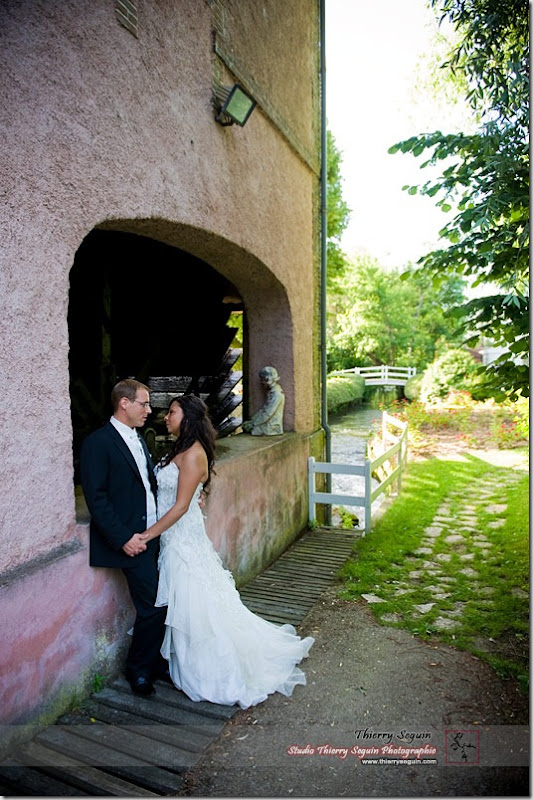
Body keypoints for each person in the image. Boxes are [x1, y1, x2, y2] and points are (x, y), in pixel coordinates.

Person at [138, 394, 314, 709]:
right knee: (187, 604)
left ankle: (210, 669)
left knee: (195, 604)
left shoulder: (192, 454)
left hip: (182, 541)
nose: (166, 416)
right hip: (175, 538)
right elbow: (184, 494)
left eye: (173, 412)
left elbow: (180, 506)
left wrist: (148, 535)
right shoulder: (180, 448)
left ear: (188, 417)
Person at [80, 378, 169, 697]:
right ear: (124, 403)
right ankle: (139, 670)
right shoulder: (98, 443)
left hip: (153, 534)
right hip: (131, 541)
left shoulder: (138, 438)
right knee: (154, 605)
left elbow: (148, 484)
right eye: (144, 403)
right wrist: (123, 539)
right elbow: (96, 497)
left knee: (164, 602)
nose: (148, 409)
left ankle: (156, 663)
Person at [242, 366, 285, 435]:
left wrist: (253, 424)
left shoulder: (277, 394)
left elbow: (268, 413)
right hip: (267, 422)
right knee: (247, 425)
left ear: (268, 379)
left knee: (252, 429)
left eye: (262, 379)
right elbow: (263, 410)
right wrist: (252, 420)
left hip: (272, 425)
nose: (262, 382)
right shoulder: (271, 392)